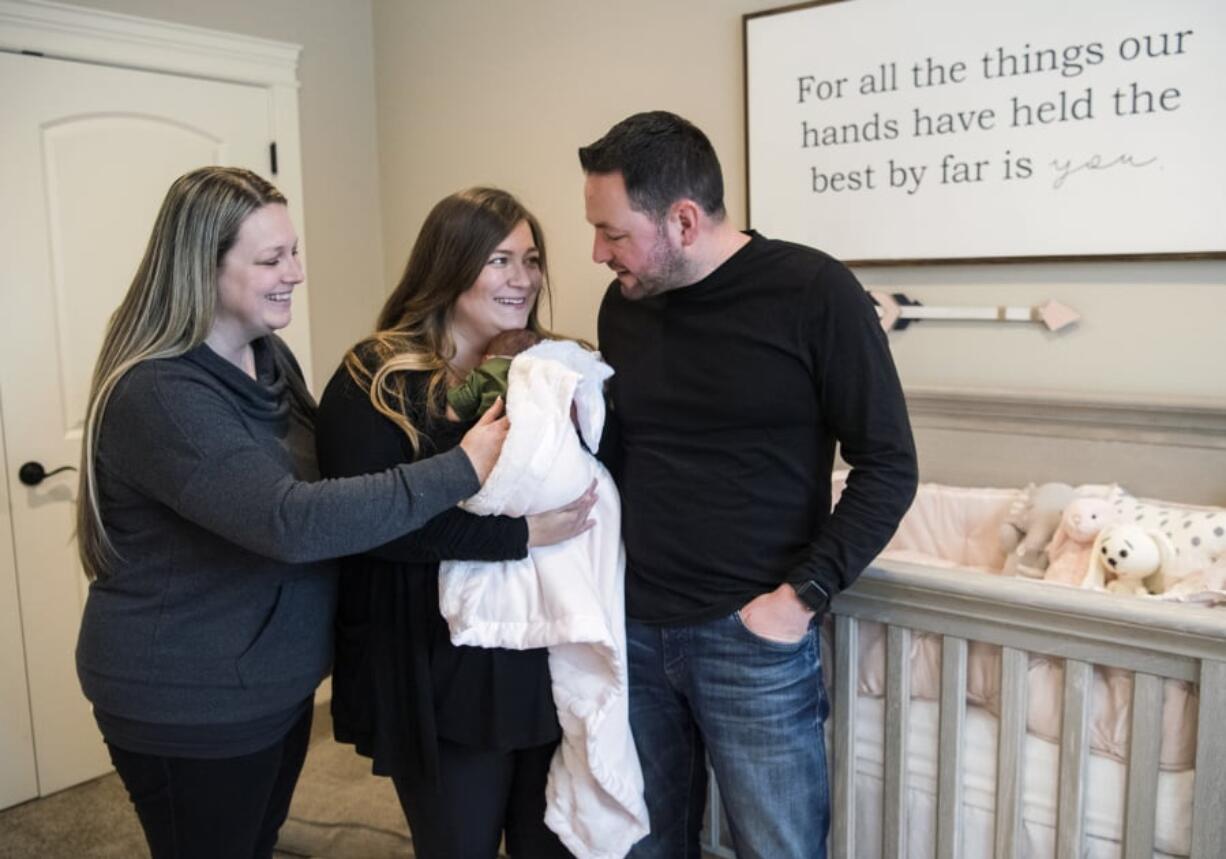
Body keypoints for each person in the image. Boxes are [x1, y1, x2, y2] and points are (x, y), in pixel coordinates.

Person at [75, 166, 509, 859]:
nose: (297, 273)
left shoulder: (265, 356)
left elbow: (335, 473)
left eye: (294, 251)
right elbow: (291, 521)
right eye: (272, 258)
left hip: (270, 682)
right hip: (190, 698)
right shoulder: (160, 393)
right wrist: (464, 466)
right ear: (201, 267)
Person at [579, 111, 919, 859]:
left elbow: (889, 464)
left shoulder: (813, 292)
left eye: (613, 232)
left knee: (778, 849)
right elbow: (626, 450)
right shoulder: (624, 305)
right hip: (634, 629)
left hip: (751, 638)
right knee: (641, 845)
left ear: (685, 219)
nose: (598, 252)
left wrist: (799, 598)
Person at [314, 187, 595, 859]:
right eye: (499, 260)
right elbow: (370, 523)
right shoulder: (375, 378)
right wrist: (520, 535)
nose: (523, 278)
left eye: (530, 260)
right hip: (437, 665)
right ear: (449, 265)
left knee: (552, 840)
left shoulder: (548, 367)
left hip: (544, 656)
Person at [445, 328, 542, 421]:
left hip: (493, 427)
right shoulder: (539, 373)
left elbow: (457, 407)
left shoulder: (488, 372)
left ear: (487, 358)